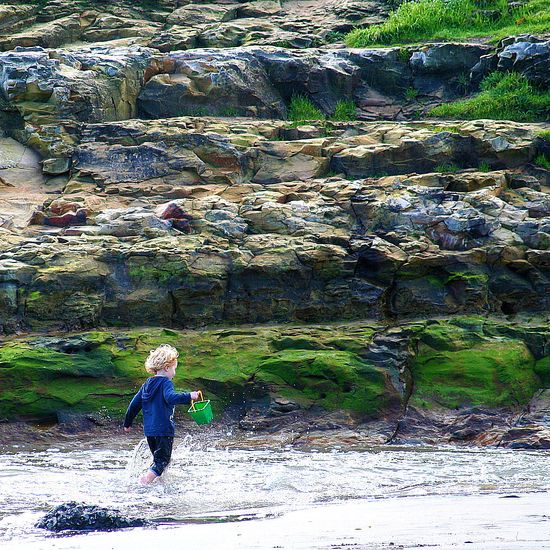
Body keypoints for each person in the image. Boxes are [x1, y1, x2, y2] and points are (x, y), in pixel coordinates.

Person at [123, 344, 200, 485]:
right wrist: (190, 396)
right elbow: (171, 398)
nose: (174, 373)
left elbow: (134, 404)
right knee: (163, 460)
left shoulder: (147, 384)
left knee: (159, 459)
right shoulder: (166, 383)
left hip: (150, 432)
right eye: (174, 369)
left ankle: (156, 481)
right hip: (164, 430)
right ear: (166, 367)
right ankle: (145, 481)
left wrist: (127, 423)